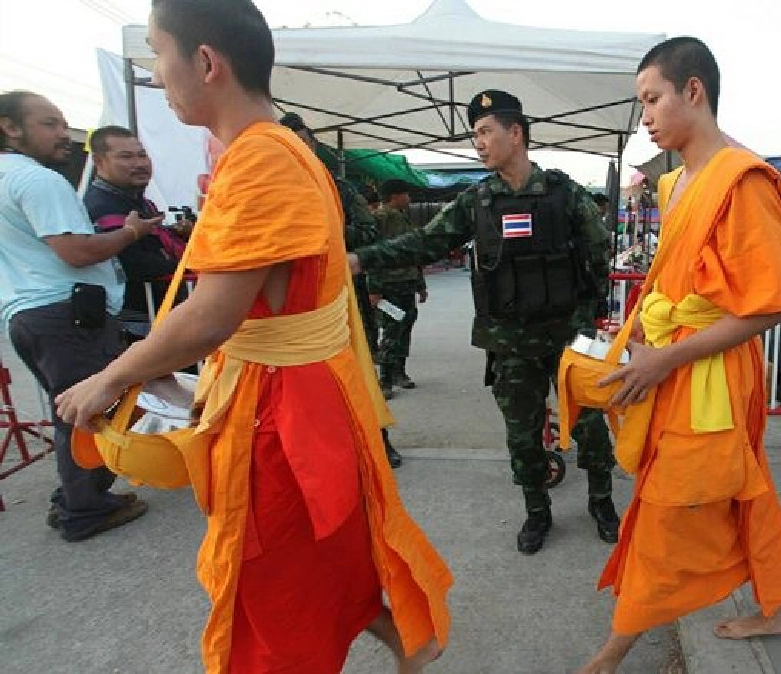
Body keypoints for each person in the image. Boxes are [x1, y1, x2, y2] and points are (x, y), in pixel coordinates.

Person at [54, 2, 451, 671]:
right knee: (320, 557)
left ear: (206, 62)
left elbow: (212, 316)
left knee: (271, 594)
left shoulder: (262, 160)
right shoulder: (282, 148)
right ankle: (413, 643)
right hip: (299, 396)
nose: (157, 73)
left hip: (283, 414)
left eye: (159, 53)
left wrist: (112, 374)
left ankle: (409, 643)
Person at [577, 37, 781, 674]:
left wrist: (665, 360)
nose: (644, 115)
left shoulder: (743, 180)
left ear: (693, 92)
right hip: (675, 359)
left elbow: (768, 305)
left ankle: (615, 648)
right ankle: (779, 603)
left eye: (652, 99)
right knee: (744, 489)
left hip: (709, 374)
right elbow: (678, 280)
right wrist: (642, 337)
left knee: (667, 511)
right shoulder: (677, 183)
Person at [350, 89, 620, 555]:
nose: (477, 143)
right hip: (510, 341)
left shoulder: (563, 193)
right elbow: (425, 243)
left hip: (568, 337)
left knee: (589, 425)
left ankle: (602, 501)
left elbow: (599, 251)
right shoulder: (477, 203)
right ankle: (537, 512)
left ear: (515, 134)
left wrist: (587, 314)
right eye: (474, 134)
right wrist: (359, 260)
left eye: (484, 132)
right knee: (522, 434)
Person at [0, 90, 158, 542]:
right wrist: (129, 233)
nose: (63, 135)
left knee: (70, 408)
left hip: (28, 313)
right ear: (11, 127)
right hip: (64, 312)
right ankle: (85, 507)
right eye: (49, 123)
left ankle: (73, 498)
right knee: (91, 408)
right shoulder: (37, 181)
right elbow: (75, 250)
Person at [279, 111, 404, 468]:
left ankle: (378, 439)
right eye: (287, 143)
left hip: (342, 293)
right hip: (292, 302)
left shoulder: (340, 189)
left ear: (313, 143)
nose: (296, 149)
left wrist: (318, 239)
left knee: (358, 368)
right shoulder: (272, 189)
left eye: (302, 141)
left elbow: (367, 234)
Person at [83, 125, 189, 340]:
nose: (139, 164)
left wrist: (180, 235)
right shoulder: (101, 206)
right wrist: (193, 263)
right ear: (99, 162)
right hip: (137, 323)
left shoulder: (138, 201)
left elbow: (151, 244)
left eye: (142, 155)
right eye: (126, 157)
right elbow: (134, 263)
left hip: (160, 315)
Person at [371, 179, 427, 395]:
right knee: (392, 330)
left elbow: (413, 253)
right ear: (394, 196)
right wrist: (374, 288)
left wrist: (420, 285)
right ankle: (385, 379)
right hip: (388, 285)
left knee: (405, 327)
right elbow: (373, 254)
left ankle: (399, 372)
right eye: (406, 194)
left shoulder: (402, 217)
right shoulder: (379, 218)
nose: (409, 198)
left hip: (406, 282)